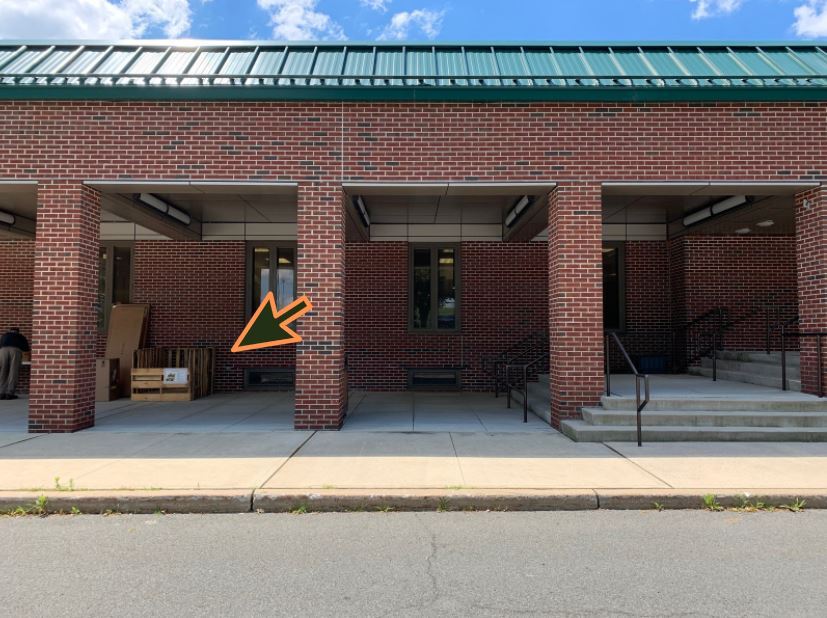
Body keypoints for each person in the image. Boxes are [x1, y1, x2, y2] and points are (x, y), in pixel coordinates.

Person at [0, 327, 30, 400]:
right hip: (15, 351)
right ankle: (10, 393)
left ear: (10, 331)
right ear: (18, 331)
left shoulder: (4, 336)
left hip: (2, 351)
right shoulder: (20, 336)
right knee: (13, 371)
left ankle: (1, 392)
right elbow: (26, 348)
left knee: (3, 371)